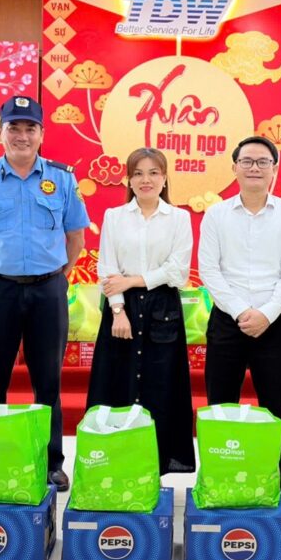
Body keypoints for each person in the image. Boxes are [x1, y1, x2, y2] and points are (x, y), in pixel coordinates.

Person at [0, 95, 90, 491]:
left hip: (48, 291)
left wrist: (57, 275)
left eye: (30, 128)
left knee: (48, 382)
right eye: (14, 127)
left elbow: (75, 237)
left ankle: (51, 463)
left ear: (42, 134)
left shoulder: (62, 179)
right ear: (0, 132)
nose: (22, 136)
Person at [198, 136, 281, 486]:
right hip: (226, 322)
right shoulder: (216, 214)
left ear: (274, 169)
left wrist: (267, 313)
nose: (254, 168)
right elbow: (209, 269)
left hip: (274, 324)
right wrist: (240, 311)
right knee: (220, 404)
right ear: (234, 168)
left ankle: (273, 478)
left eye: (263, 162)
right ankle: (219, 477)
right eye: (247, 161)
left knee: (275, 406)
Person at [86, 148, 196, 474]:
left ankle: (156, 467)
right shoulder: (114, 216)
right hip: (122, 307)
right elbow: (107, 268)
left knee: (160, 386)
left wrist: (132, 280)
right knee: (116, 383)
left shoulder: (179, 218)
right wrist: (118, 311)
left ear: (164, 178)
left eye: (153, 173)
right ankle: (114, 463)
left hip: (164, 308)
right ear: (129, 180)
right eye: (138, 173)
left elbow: (177, 272)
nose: (145, 180)